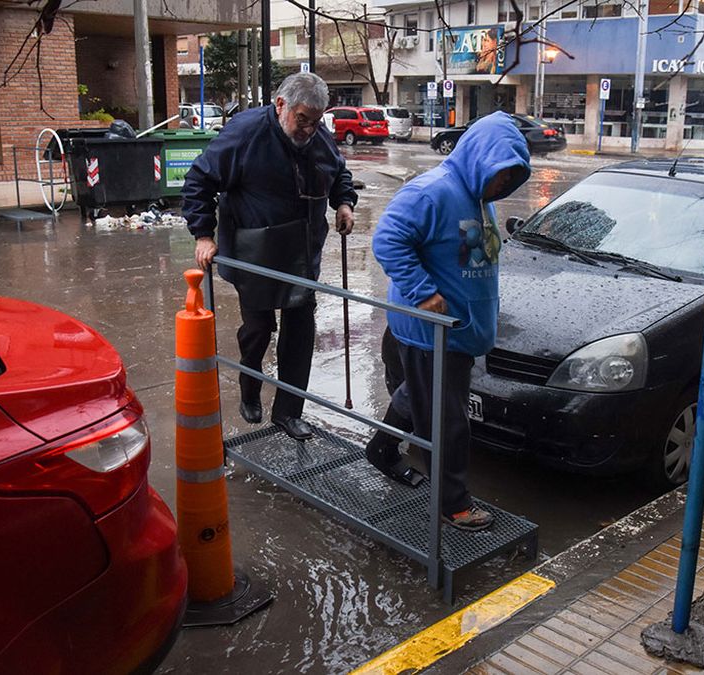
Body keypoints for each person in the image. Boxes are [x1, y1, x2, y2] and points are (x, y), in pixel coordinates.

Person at [370, 111, 531, 531]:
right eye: (500, 174)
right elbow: (387, 240)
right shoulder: (432, 192)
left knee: (417, 397)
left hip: (459, 331)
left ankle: (383, 449)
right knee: (447, 421)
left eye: (512, 177)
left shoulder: (479, 198)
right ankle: (453, 505)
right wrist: (424, 293)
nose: (503, 184)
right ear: (479, 158)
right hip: (431, 333)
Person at [182, 72, 358, 441]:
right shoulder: (246, 133)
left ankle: (288, 413)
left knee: (300, 331)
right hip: (256, 250)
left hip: (301, 251)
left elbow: (338, 171)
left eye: (315, 121)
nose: (309, 129)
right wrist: (203, 234)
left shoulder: (318, 138)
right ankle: (250, 385)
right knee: (260, 329)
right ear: (281, 105)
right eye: (302, 119)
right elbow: (199, 179)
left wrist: (344, 203)